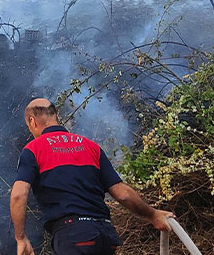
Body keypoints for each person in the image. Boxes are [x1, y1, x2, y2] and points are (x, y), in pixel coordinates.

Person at [10, 98, 173, 255]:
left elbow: (18, 195)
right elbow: (122, 193)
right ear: (56, 116)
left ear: (32, 121)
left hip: (73, 236)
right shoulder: (90, 146)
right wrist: (152, 214)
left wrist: (21, 238)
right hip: (105, 235)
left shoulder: (33, 149)